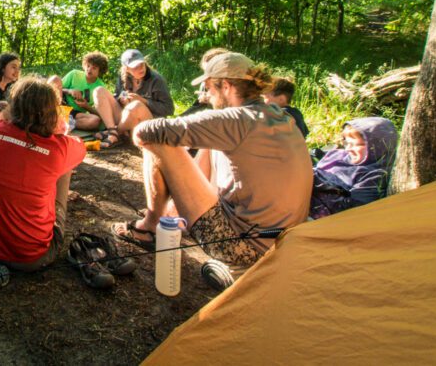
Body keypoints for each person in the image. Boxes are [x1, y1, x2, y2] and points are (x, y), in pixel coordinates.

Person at [114, 51, 312, 268]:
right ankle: (173, 212)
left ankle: (147, 228)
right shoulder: (279, 115)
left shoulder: (234, 120)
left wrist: (133, 135)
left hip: (243, 247)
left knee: (158, 139)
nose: (207, 95)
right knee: (208, 141)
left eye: (209, 88)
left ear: (226, 86)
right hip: (285, 240)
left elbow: (147, 131)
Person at [0, 75, 87, 271]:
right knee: (65, 167)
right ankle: (52, 214)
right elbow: (80, 148)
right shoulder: (60, 147)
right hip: (28, 256)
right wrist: (59, 130)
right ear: (52, 110)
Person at [310, 117, 398, 218]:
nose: (348, 149)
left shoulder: (375, 175)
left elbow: (352, 210)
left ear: (378, 146)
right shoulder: (337, 155)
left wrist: (316, 183)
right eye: (347, 143)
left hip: (318, 215)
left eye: (357, 145)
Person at [99, 49, 175, 147]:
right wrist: (121, 99)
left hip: (149, 124)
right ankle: (113, 130)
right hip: (126, 119)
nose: (140, 69)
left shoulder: (156, 80)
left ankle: (116, 133)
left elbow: (169, 109)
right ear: (127, 69)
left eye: (142, 64)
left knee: (137, 105)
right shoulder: (122, 77)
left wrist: (143, 101)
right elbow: (117, 96)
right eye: (135, 67)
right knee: (99, 91)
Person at [49, 52, 118, 136]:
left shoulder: (101, 87)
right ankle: (53, 116)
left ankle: (65, 123)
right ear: (84, 65)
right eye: (88, 66)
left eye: (94, 68)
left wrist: (86, 106)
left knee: (95, 120)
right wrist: (69, 91)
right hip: (60, 106)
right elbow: (57, 88)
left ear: (100, 71)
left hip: (75, 115)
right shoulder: (74, 74)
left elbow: (102, 113)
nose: (89, 69)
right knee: (54, 79)